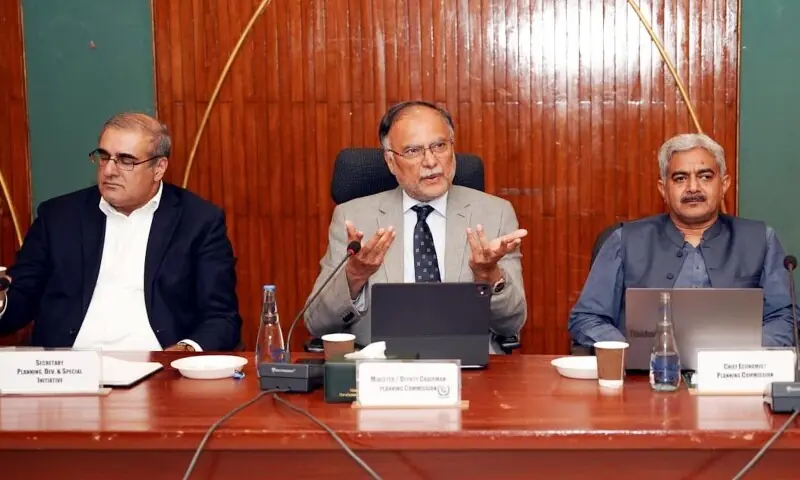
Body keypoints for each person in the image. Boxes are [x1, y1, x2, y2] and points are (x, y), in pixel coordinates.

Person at [0, 112, 242, 351]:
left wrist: (181, 353)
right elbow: (20, 300)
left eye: (126, 160)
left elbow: (221, 318)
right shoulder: (58, 217)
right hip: (68, 372)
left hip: (159, 373)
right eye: (104, 157)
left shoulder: (198, 221)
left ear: (159, 168)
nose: (109, 171)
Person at [304, 101, 528, 353]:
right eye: (413, 151)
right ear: (390, 161)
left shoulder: (494, 213)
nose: (431, 161)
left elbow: (511, 324)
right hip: (381, 369)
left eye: (440, 146)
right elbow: (317, 323)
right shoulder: (354, 216)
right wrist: (354, 276)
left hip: (469, 368)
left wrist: (489, 275)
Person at [568, 133, 796, 348]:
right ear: (663, 189)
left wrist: (740, 354)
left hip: (733, 378)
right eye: (680, 178)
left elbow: (785, 318)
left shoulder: (760, 240)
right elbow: (587, 318)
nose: (693, 187)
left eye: (705, 176)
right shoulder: (624, 240)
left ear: (724, 184)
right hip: (641, 380)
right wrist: (628, 352)